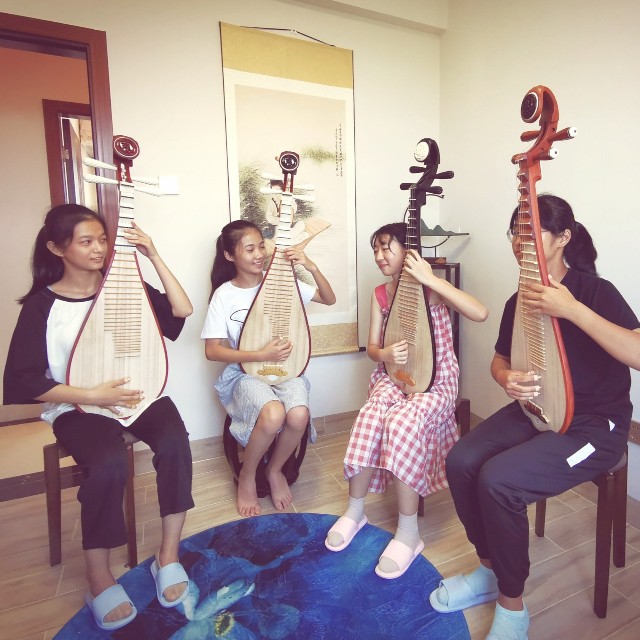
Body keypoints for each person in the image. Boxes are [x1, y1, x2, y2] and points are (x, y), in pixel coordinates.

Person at [429, 194, 640, 640]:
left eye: (531, 232)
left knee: (499, 480)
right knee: (461, 459)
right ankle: (490, 571)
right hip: (536, 412)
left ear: (563, 238)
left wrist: (573, 310)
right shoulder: (518, 301)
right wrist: (506, 378)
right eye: (515, 232)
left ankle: (512, 607)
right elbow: (500, 360)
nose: (519, 241)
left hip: (596, 426)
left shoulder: (595, 292)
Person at [3, 204, 195, 631]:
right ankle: (98, 576)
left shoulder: (125, 289)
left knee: (175, 443)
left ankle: (168, 554)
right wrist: (92, 395)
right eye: (86, 241)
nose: (99, 249)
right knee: (107, 463)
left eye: (103, 240)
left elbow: (181, 311)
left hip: (138, 393)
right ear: (57, 248)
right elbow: (25, 380)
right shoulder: (41, 306)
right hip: (76, 404)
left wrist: (153, 254)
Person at [325, 222, 488, 579]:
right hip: (394, 377)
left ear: (409, 251)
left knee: (401, 423)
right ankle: (355, 511)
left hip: (436, 382)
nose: (380, 256)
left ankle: (409, 533)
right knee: (370, 416)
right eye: (376, 249)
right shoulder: (381, 294)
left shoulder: (432, 290)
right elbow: (372, 349)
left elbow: (479, 313)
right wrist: (385, 353)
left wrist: (432, 279)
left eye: (387, 247)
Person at [202, 220, 336, 517]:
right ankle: (247, 476)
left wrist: (310, 265)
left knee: (298, 414)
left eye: (261, 246)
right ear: (229, 256)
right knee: (274, 413)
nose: (260, 254)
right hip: (244, 372)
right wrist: (260, 353)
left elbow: (328, 299)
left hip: (287, 370)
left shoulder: (281, 283)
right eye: (249, 249)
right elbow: (212, 350)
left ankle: (274, 470)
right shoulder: (224, 295)